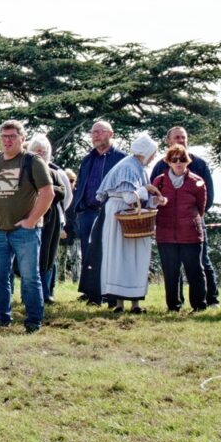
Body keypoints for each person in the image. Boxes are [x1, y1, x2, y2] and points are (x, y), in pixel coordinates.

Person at [0, 120, 55, 333]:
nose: (8, 141)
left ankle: (33, 322)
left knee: (30, 278)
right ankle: (2, 320)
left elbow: (47, 193)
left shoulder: (33, 161)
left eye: (12, 136)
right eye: (4, 136)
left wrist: (31, 221)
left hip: (26, 232)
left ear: (23, 138)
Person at [93, 133, 166, 314]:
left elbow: (140, 198)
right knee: (120, 257)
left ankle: (135, 303)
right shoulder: (128, 167)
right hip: (119, 215)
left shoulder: (138, 167)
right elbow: (128, 196)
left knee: (135, 257)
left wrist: (156, 200)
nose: (153, 158)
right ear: (146, 151)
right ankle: (119, 303)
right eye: (153, 153)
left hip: (131, 216)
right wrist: (146, 189)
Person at [150, 126, 219, 307]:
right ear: (168, 141)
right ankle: (175, 304)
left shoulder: (200, 165)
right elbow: (151, 195)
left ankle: (210, 300)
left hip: (192, 226)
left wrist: (193, 217)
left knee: (200, 265)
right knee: (172, 269)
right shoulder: (159, 170)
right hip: (166, 229)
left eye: (183, 137)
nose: (180, 140)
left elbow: (206, 198)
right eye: (177, 137)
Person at [73, 121, 127, 305]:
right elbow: (81, 183)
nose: (95, 135)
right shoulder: (88, 159)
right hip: (87, 212)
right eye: (93, 132)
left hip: (109, 211)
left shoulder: (121, 158)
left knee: (109, 253)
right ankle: (92, 295)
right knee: (89, 254)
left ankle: (111, 297)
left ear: (110, 134)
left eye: (100, 132)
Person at [27, 134, 73, 304]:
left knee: (49, 256)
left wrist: (47, 190)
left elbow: (64, 195)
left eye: (43, 150)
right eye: (37, 150)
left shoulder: (55, 172)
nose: (40, 153)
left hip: (52, 219)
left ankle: (46, 292)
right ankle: (31, 293)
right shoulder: (25, 170)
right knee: (32, 256)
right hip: (31, 218)